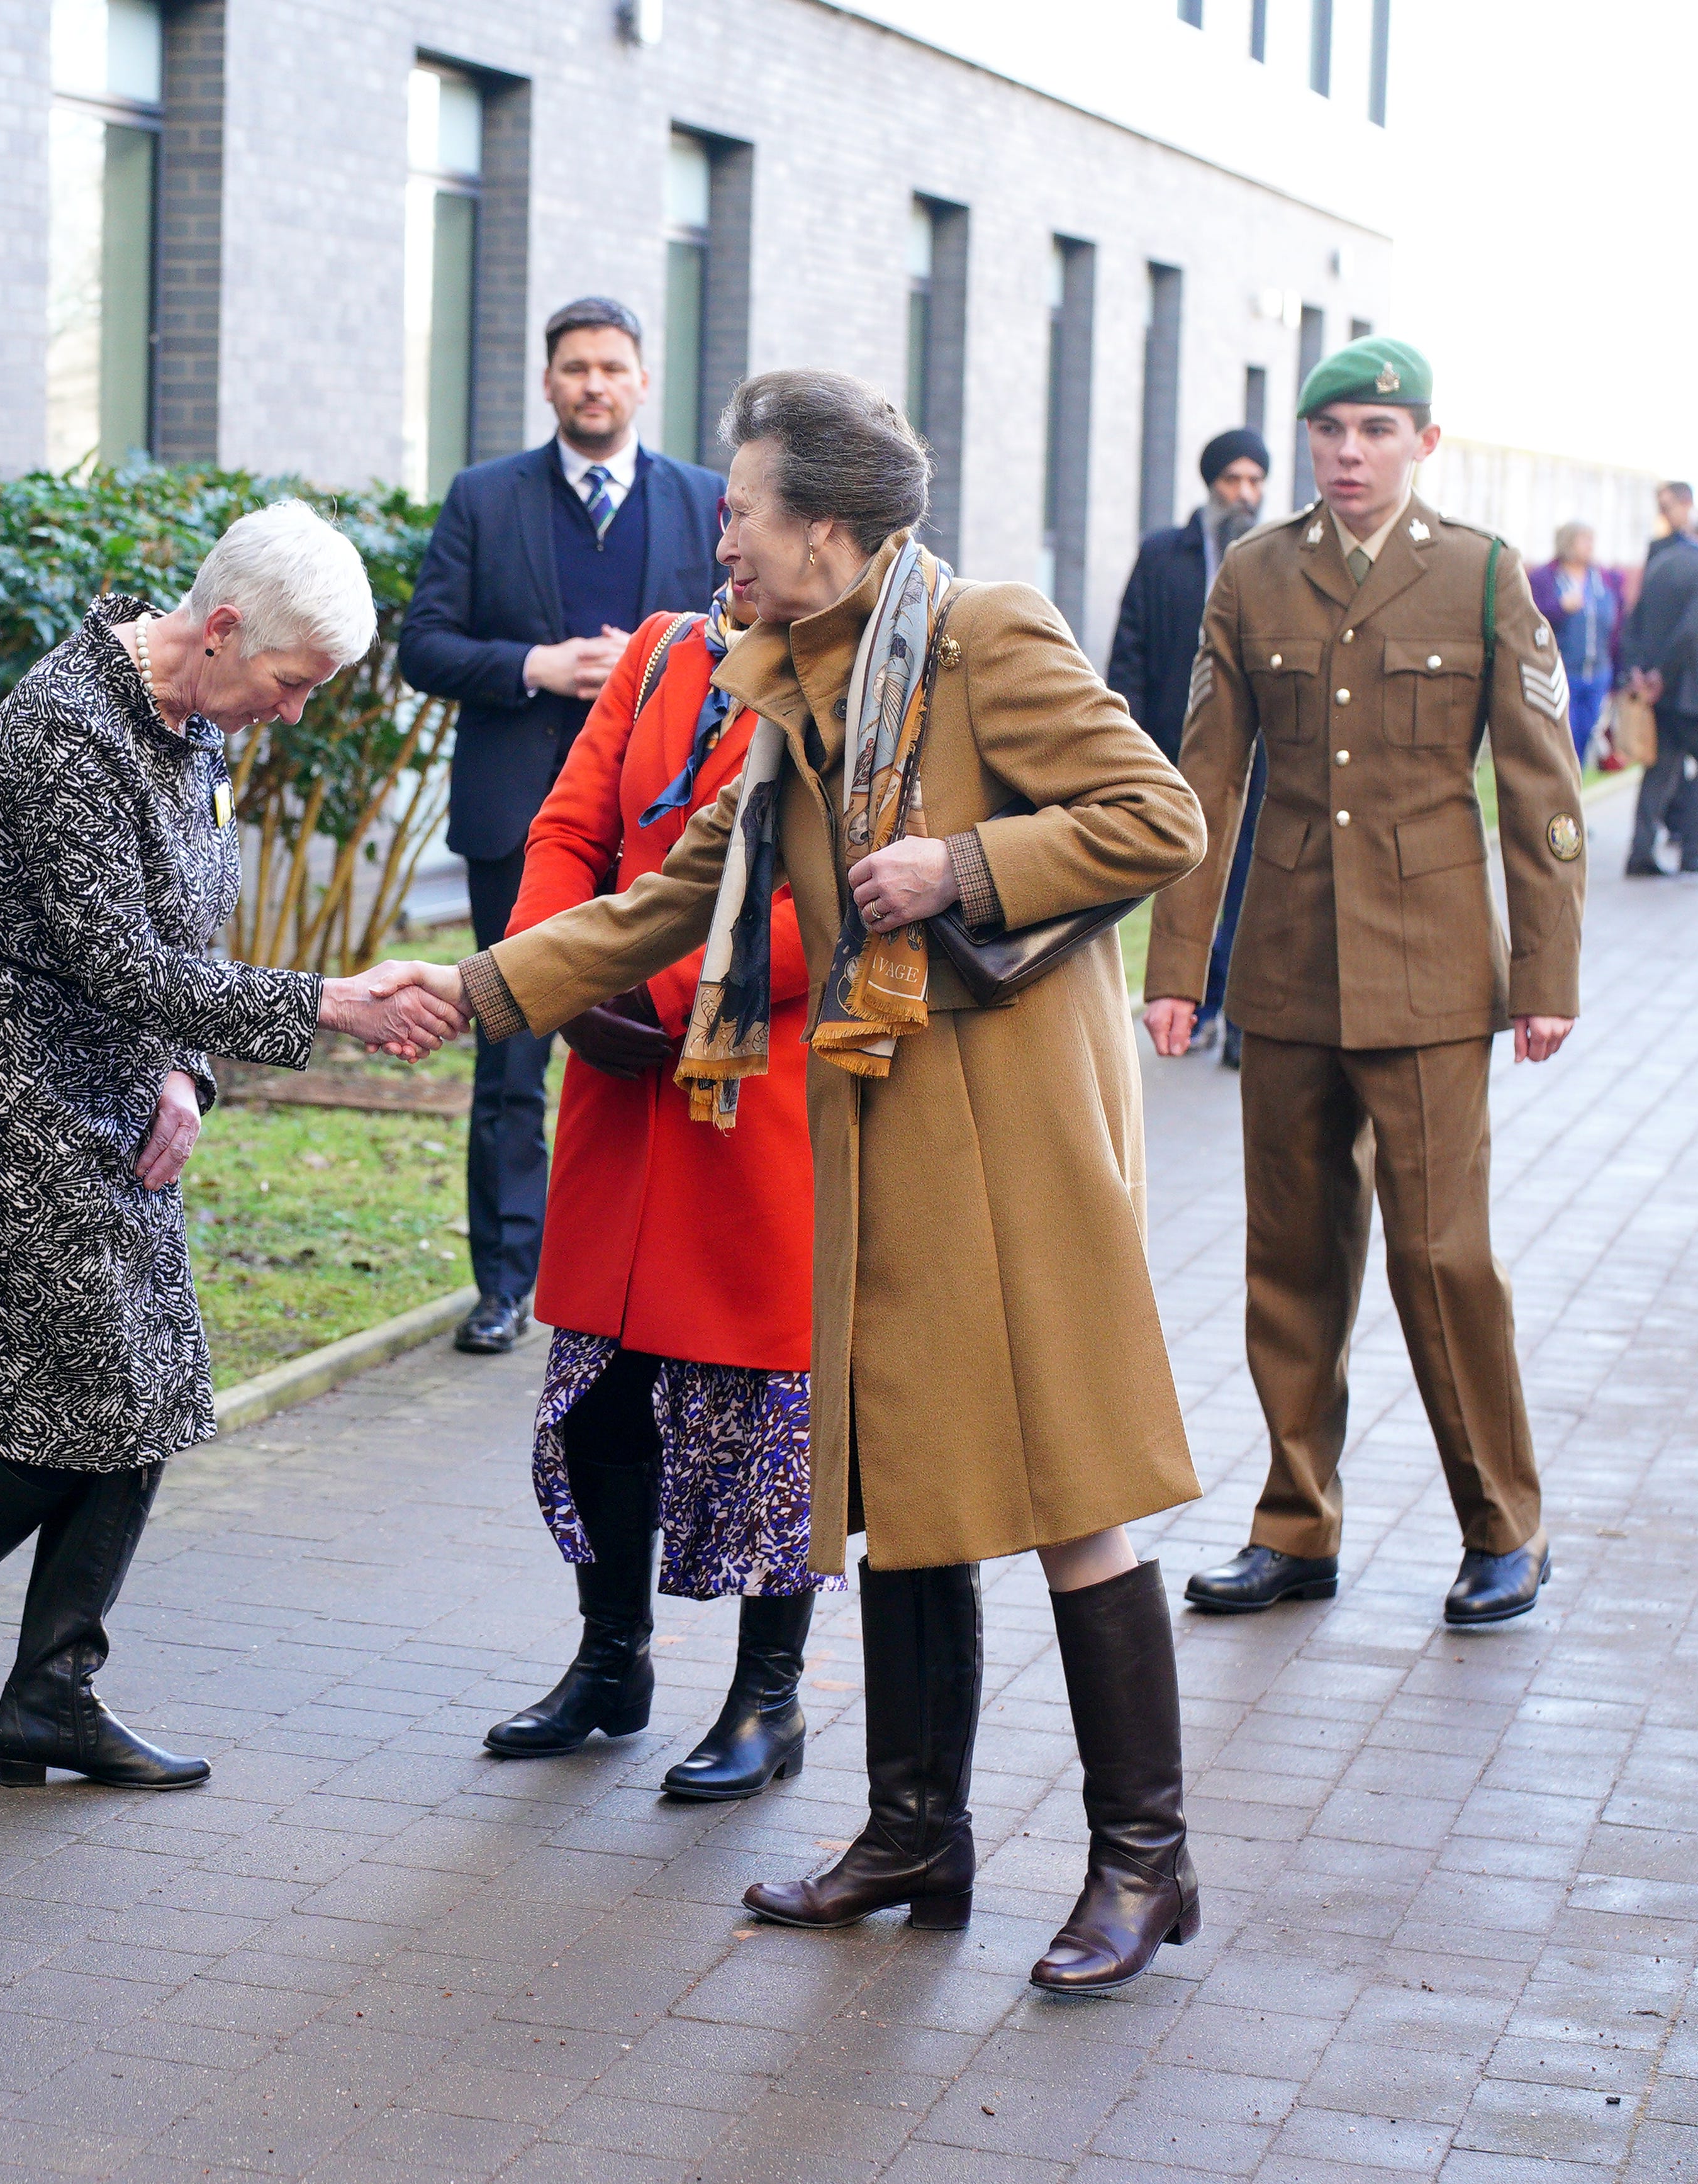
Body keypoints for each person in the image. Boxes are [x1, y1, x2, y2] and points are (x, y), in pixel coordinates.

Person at [420, 367, 1212, 1993]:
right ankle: (913, 1825)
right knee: (906, 1488)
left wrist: (962, 864)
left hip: (1011, 1144)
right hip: (872, 1133)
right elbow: (672, 898)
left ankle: (1145, 1856)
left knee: (1069, 1493)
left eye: (738, 513)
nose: (716, 537)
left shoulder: (985, 635)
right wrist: (473, 989)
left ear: (828, 534)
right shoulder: (786, 675)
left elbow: (1158, 814)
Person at [0, 503, 462, 1794]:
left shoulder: (190, 713)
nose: (289, 712)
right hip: (9, 1079)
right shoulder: (66, 728)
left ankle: (34, 1682)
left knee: (135, 1379)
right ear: (225, 627)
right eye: (289, 685)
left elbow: (170, 930)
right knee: (88, 1387)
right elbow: (113, 954)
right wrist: (330, 1002)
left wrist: (180, 1067)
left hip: (111, 1075)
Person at [1146, 334, 1589, 1633]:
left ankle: (1502, 1526)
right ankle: (1294, 1525)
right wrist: (1180, 967)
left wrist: (1541, 972)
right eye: (1329, 431)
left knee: (1440, 1256)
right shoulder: (1249, 575)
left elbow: (1541, 788)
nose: (1348, 454)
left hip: (1431, 971)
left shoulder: (1480, 577)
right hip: (1284, 967)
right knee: (1287, 1257)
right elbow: (1201, 783)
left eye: (1376, 433)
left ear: (1422, 446)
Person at [476, 571, 837, 1801]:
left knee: (759, 1400)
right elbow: (569, 829)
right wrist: (560, 981)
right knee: (602, 1391)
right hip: (617, 1078)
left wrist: (671, 993)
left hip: (756, 1075)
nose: (730, 540)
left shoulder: (860, 672)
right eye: (725, 513)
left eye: (755, 514)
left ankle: (765, 1698)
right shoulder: (656, 648)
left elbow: (845, 900)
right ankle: (610, 1661)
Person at [397, 298, 727, 1358]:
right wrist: (534, 667)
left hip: (667, 833)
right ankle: (505, 1284)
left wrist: (655, 661)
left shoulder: (706, 500)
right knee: (511, 1050)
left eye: (613, 367)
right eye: (576, 367)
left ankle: (653, 1276)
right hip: (517, 820)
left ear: (642, 381)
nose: (594, 384)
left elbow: (745, 638)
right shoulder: (484, 499)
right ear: (548, 382)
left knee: (665, 1039)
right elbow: (424, 645)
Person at [1109, 428, 1275, 1066]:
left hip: (1258, 758)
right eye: (1233, 480)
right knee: (1188, 874)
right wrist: (1129, 746)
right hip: (1175, 750)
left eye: (1255, 481)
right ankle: (1191, 1005)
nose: (1245, 493)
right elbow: (1130, 653)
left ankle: (1235, 1016)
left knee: (1248, 880)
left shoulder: (1273, 559)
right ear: (1211, 485)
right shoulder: (1163, 556)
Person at [1621, 493, 1698, 879]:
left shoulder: (1662, 563)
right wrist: (1661, 675)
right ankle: (1697, 851)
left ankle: (1640, 853)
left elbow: (1635, 622)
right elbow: (1692, 631)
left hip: (1664, 696)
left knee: (1660, 770)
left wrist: (1641, 671)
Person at [1531, 522, 1625, 766]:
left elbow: (1619, 624)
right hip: (1562, 673)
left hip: (1599, 673)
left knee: (1585, 738)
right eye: (1584, 541)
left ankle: (1575, 793)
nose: (1590, 547)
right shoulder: (1545, 578)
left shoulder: (1605, 578)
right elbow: (1530, 620)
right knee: (1562, 739)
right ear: (1568, 543)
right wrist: (1560, 608)